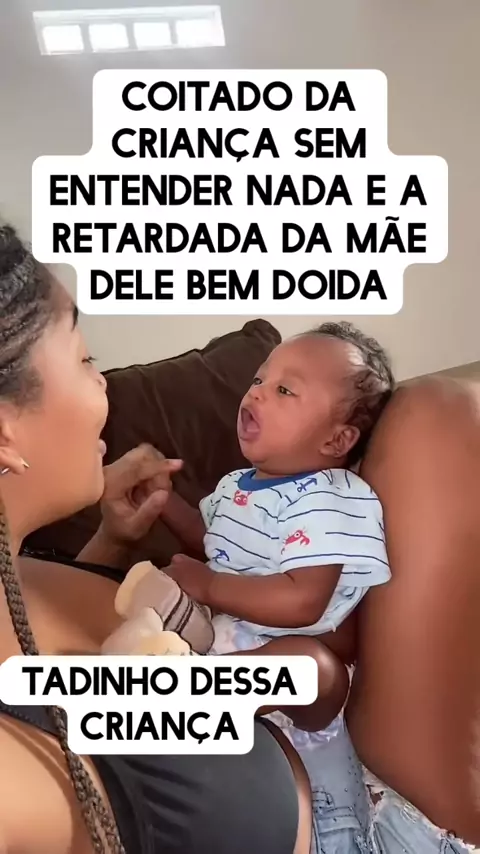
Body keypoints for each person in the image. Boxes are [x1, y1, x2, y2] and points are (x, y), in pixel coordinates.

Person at [1, 224, 479, 854]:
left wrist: (114, 541)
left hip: (337, 751)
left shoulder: (29, 564)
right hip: (350, 831)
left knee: (437, 413)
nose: (104, 382)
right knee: (439, 416)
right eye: (86, 360)